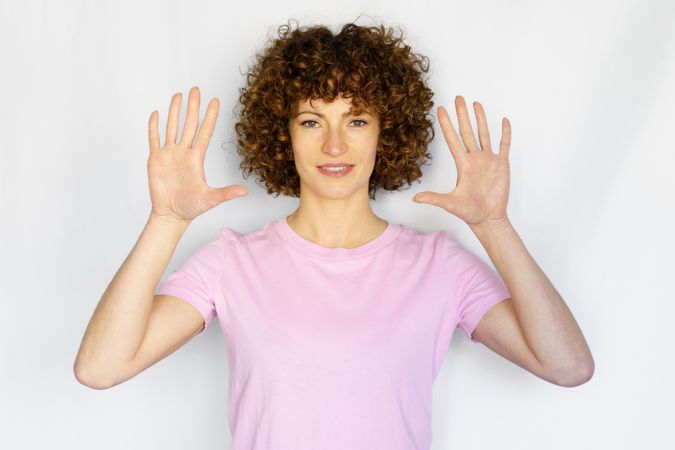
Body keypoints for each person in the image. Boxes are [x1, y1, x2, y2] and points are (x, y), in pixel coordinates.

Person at [74, 22, 594, 449]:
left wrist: (493, 227)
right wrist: (166, 221)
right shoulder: (230, 263)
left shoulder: (440, 265)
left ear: (385, 133)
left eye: (357, 120)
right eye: (311, 121)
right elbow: (101, 368)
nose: (335, 144)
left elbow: (568, 366)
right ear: (283, 135)